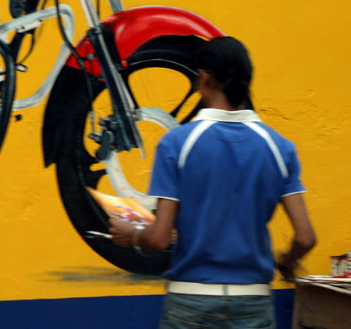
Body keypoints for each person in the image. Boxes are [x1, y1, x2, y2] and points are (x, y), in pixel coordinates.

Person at [110, 36, 316, 329]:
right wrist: (286, 262)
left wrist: (132, 235)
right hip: (253, 301)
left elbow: (159, 238)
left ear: (204, 78)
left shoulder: (176, 144)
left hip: (190, 302)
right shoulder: (280, 148)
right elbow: (306, 237)